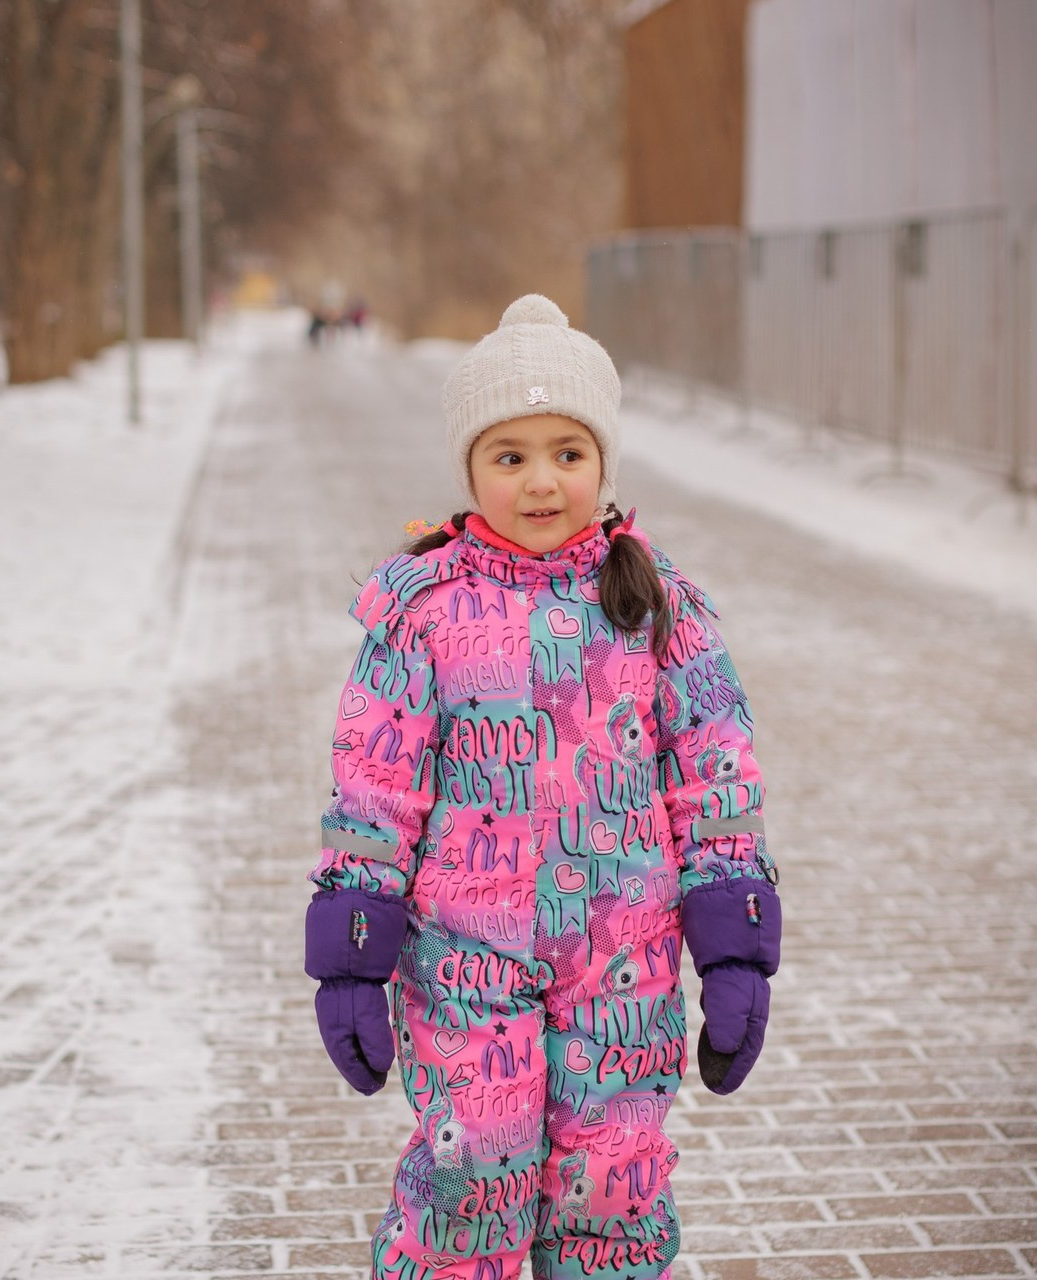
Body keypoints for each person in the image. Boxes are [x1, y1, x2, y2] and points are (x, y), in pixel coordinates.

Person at [304, 294, 782, 1280]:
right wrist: (352, 945)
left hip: (623, 960)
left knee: (610, 1181)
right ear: (470, 468)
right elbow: (373, 781)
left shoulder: (653, 601)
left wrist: (731, 938)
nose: (539, 481)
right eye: (508, 454)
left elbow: (714, 772)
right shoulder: (422, 608)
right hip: (460, 957)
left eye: (566, 451)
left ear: (602, 461)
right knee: (471, 1170)